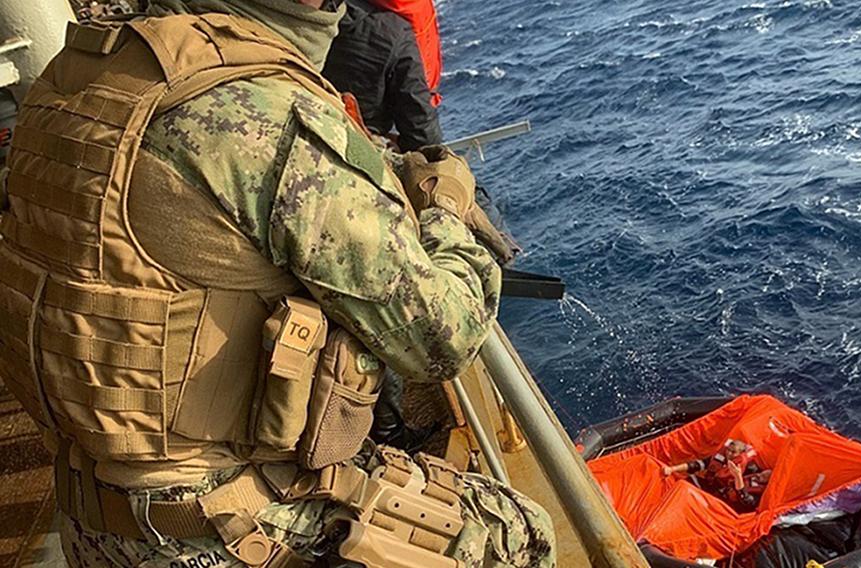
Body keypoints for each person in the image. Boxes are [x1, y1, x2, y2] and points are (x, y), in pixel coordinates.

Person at [0, 0, 555, 566]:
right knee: (522, 532)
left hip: (89, 515)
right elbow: (442, 340)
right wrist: (446, 207)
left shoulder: (72, 76)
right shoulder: (264, 115)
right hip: (212, 527)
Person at [322, 0, 443, 152]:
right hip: (361, 149)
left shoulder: (312, 14)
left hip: (308, 127)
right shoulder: (397, 30)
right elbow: (423, 137)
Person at [662, 439, 772, 512]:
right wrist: (672, 469)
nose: (729, 454)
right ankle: (667, 501)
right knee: (685, 482)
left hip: (724, 502)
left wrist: (737, 476)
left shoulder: (748, 469)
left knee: (691, 496)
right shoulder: (720, 457)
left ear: (741, 454)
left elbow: (745, 501)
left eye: (733, 452)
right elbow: (698, 465)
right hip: (711, 486)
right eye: (728, 450)